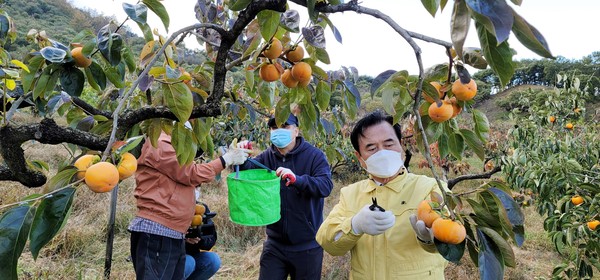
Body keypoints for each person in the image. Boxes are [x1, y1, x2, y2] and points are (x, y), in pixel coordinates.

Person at [316, 111, 449, 279]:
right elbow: (328, 242)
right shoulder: (350, 194)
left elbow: (453, 240)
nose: (382, 152)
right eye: (371, 148)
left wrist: (430, 240)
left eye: (389, 144)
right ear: (359, 157)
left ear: (400, 146)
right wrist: (355, 225)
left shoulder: (431, 188)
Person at [128, 127, 251, 279]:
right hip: (157, 230)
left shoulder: (175, 143)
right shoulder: (160, 142)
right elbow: (190, 173)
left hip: (172, 230)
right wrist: (224, 160)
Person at [237, 113, 334, 280]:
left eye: (285, 126)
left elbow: (325, 186)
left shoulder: (314, 156)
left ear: (296, 131)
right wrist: (240, 156)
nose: (278, 131)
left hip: (307, 245)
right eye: (275, 127)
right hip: (275, 245)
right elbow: (247, 173)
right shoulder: (267, 157)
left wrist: (298, 180)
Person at [184, 201, 221, 280]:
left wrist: (200, 238)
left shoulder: (200, 208)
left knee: (213, 260)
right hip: (170, 257)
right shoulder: (169, 207)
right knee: (189, 262)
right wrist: (182, 239)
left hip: (192, 255)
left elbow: (211, 239)